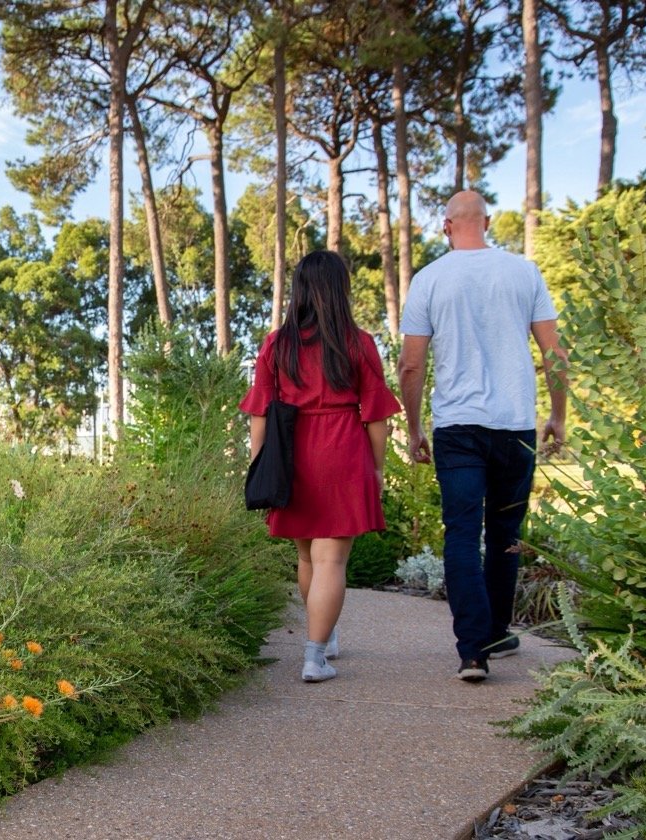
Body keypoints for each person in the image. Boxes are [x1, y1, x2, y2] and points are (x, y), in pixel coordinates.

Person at [397, 190, 569, 683]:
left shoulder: (429, 279)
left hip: (457, 427)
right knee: (505, 536)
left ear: (445, 226)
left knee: (462, 534)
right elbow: (554, 354)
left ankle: (474, 650)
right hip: (515, 424)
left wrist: (413, 428)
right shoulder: (524, 272)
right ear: (487, 222)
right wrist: (558, 415)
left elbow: (411, 364)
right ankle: (493, 631)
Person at [241, 250, 402, 683]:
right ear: (340, 290)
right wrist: (377, 468)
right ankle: (314, 656)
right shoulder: (358, 342)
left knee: (308, 556)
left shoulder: (278, 344)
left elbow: (260, 412)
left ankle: (323, 635)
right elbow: (376, 417)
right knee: (331, 559)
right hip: (343, 448)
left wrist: (259, 463)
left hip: (293, 453)